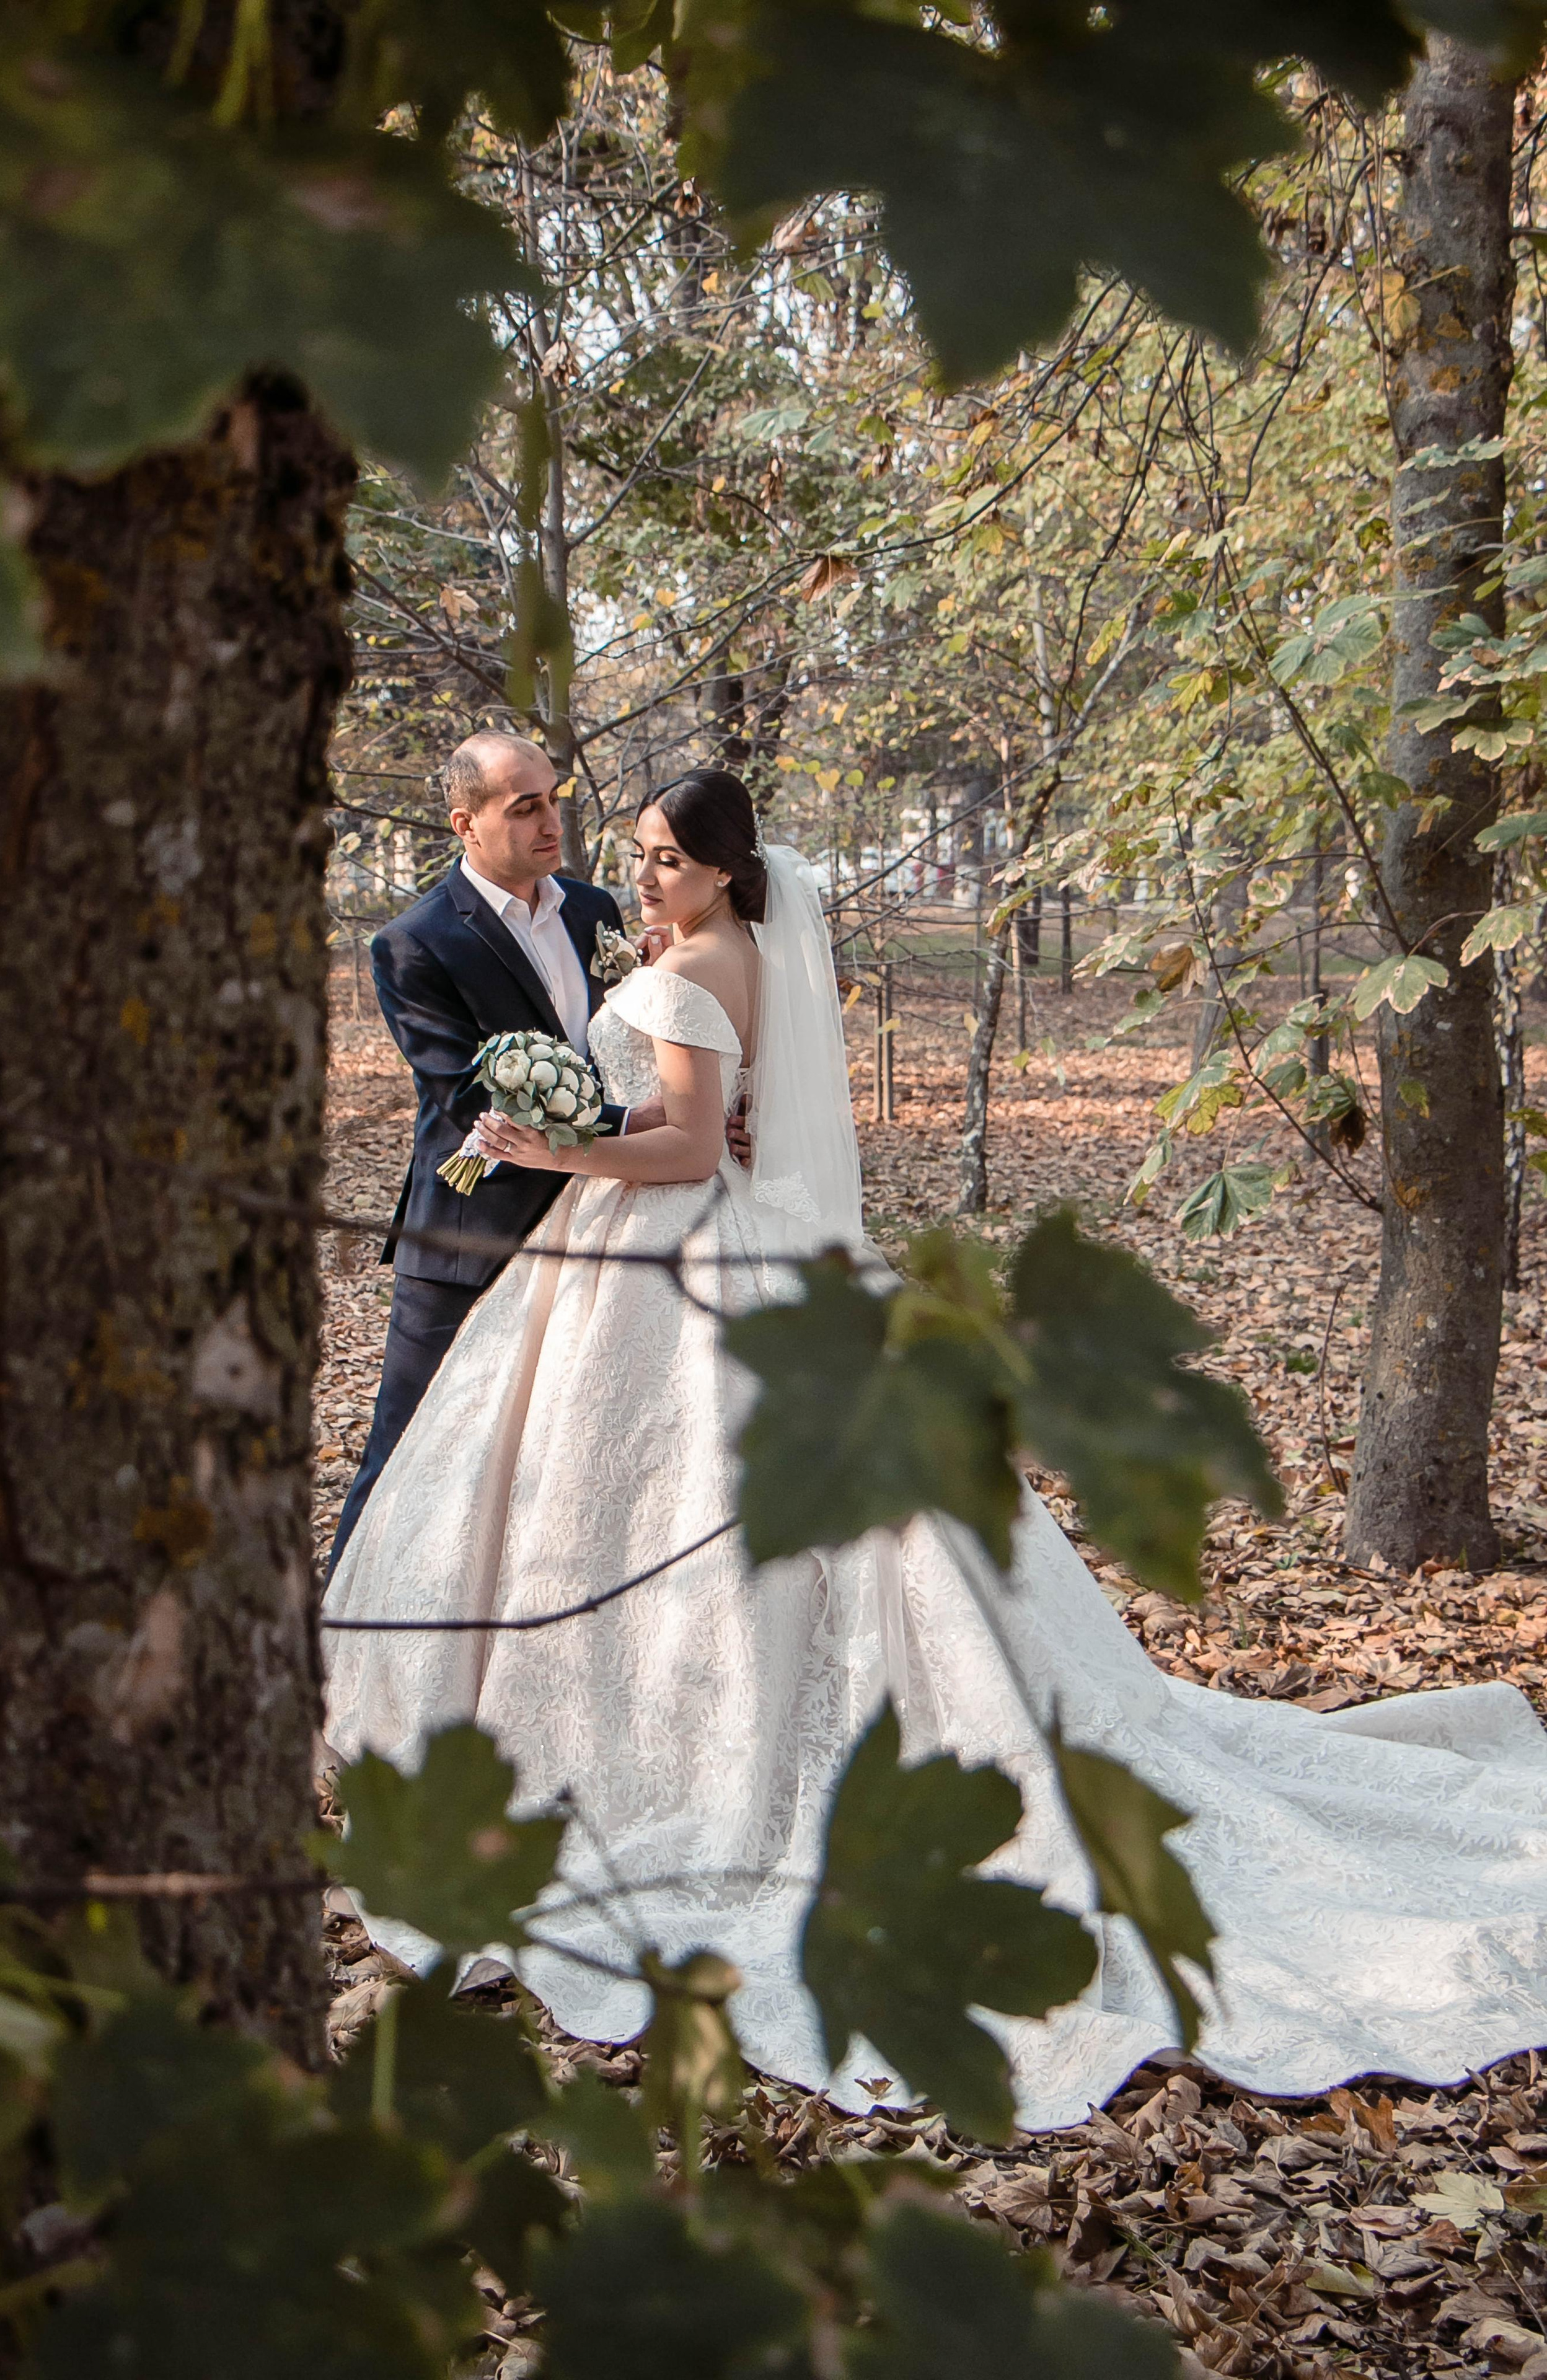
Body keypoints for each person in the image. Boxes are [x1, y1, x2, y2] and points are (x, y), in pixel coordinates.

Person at [324, 767, 1547, 2133]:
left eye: (668, 859)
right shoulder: (713, 949)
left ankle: (671, 1765)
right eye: (641, 856)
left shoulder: (687, 966)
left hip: (665, 1244)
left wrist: (562, 1144)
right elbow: (716, 1118)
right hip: (711, 1251)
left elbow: (677, 1154)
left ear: (727, 870)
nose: (642, 878)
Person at [331, 730, 740, 1572]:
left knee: (554, 1462)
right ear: (465, 824)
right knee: (403, 1449)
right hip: (470, 1229)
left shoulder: (595, 911)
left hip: (597, 1228)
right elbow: (473, 1099)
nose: (551, 821)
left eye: (553, 798)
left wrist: (701, 1107)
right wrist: (644, 1123)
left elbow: (631, 1044)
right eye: (525, 808)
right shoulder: (415, 943)